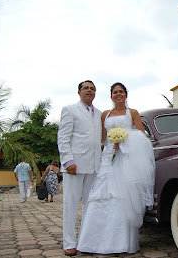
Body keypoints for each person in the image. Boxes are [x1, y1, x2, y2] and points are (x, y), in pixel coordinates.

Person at [77, 82, 155, 254]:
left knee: (123, 196)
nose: (118, 94)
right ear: (111, 96)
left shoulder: (132, 113)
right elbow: (103, 139)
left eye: (121, 92)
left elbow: (142, 137)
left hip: (126, 158)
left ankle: (121, 243)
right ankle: (93, 242)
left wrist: (125, 142)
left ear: (126, 95)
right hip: (108, 158)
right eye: (114, 92)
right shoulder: (105, 114)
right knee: (101, 195)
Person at [57, 80, 102, 256]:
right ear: (79, 92)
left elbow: (100, 139)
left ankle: (85, 240)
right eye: (86, 88)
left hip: (94, 166)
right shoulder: (69, 110)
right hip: (74, 166)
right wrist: (68, 161)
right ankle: (69, 242)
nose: (89, 91)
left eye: (92, 89)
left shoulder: (98, 113)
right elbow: (63, 137)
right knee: (71, 204)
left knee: (90, 206)